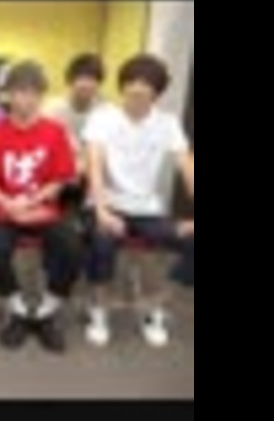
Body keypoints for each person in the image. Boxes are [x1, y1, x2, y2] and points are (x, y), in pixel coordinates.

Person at [83, 54, 194, 348]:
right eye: (131, 88)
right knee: (102, 241)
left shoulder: (168, 123)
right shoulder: (103, 118)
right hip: (106, 202)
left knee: (188, 241)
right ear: (122, 87)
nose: (136, 96)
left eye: (145, 91)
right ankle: (99, 307)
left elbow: (187, 166)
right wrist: (102, 211)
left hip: (146, 209)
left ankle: (154, 305)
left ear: (157, 93)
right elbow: (94, 165)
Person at [0, 61, 82, 354]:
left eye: (34, 92)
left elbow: (60, 179)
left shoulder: (55, 132)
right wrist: (9, 204)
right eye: (20, 92)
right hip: (2, 209)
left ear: (42, 96)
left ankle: (46, 310)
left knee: (71, 244)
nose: (27, 99)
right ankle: (18, 308)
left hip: (42, 208)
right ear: (8, 95)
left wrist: (32, 202)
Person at [44, 54, 110, 211]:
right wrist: (70, 168)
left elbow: (104, 149)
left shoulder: (105, 111)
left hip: (90, 170)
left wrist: (82, 166)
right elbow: (47, 147)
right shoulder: (52, 109)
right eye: (81, 78)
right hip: (58, 171)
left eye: (92, 79)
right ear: (70, 81)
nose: (86, 84)